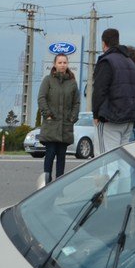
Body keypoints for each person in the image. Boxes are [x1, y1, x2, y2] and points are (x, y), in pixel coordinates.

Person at [91, 28, 135, 153]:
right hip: (129, 118)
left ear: (103, 43)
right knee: (122, 159)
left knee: (105, 159)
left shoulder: (107, 61)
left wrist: (96, 114)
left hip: (111, 118)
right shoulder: (130, 62)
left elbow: (99, 90)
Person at [37, 53, 80, 182]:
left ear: (67, 65)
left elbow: (76, 102)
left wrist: (73, 117)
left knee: (61, 156)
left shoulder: (72, 83)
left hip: (65, 126)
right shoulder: (48, 80)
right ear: (55, 64)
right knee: (50, 154)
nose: (62, 65)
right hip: (51, 125)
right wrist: (48, 114)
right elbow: (41, 98)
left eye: (64, 63)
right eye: (60, 63)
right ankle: (47, 182)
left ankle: (59, 185)